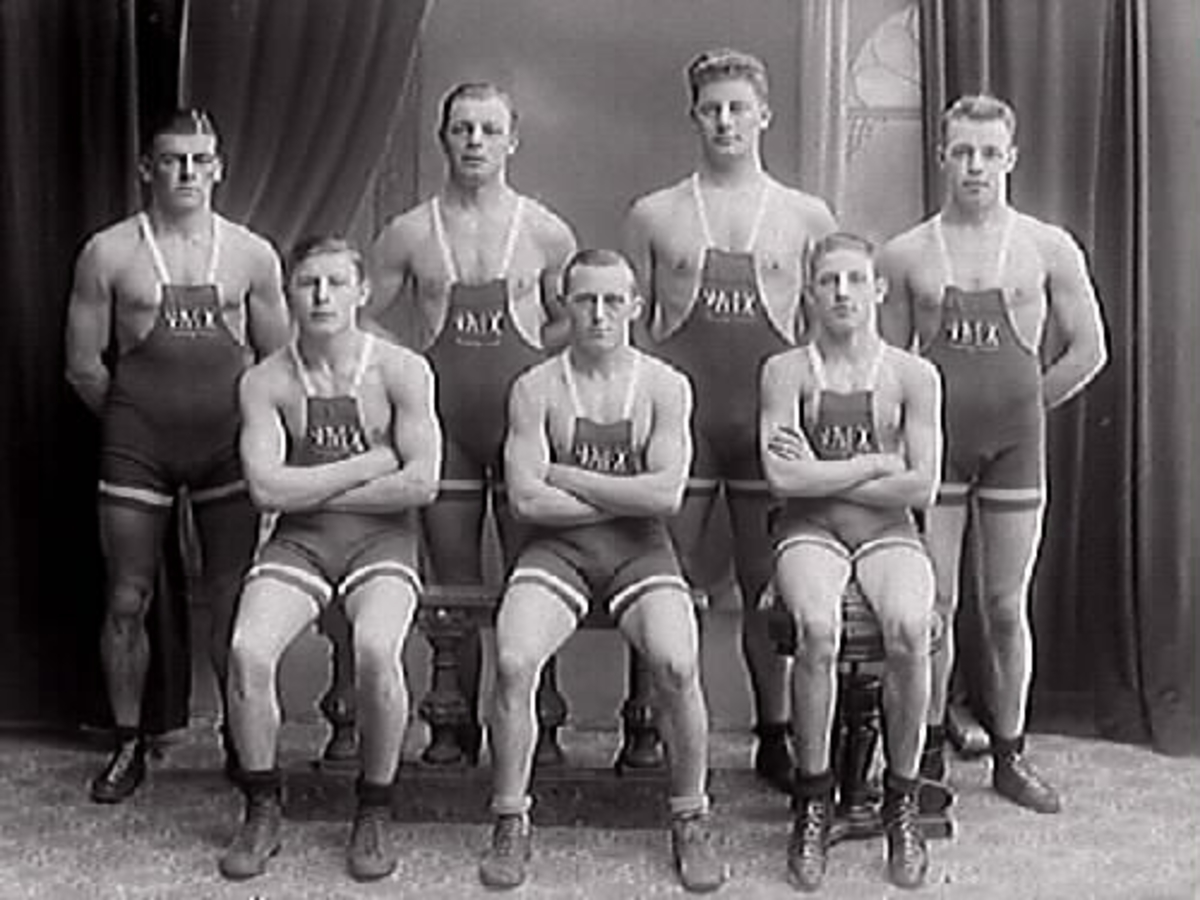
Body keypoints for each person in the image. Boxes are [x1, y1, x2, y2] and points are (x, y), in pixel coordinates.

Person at [878, 95, 1108, 814]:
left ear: (1010, 159)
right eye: (961, 152)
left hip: (1015, 449)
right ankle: (931, 754)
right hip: (936, 453)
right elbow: (882, 365)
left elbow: (1089, 350)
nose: (974, 165)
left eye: (987, 153)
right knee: (936, 605)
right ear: (943, 157)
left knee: (1005, 606)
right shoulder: (907, 252)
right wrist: (915, 434)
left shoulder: (1047, 246)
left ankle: (1010, 753)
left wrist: (1022, 410)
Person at [479, 249, 726, 894]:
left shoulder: (665, 386)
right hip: (556, 550)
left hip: (641, 550)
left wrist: (567, 474)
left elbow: (664, 498)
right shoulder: (535, 388)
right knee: (512, 659)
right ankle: (510, 816)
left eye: (613, 300)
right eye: (585, 300)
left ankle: (690, 814)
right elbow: (525, 500)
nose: (598, 313)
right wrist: (620, 487)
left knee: (676, 662)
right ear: (565, 304)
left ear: (636, 306)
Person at [623, 48, 837, 788]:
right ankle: (644, 720)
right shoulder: (655, 213)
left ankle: (773, 732)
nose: (724, 121)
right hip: (681, 427)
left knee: (759, 581)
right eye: (711, 108)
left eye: (737, 108)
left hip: (762, 425)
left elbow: (823, 337)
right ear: (694, 116)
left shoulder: (806, 216)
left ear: (763, 115)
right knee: (658, 574)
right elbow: (631, 335)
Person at [64, 108, 290, 803]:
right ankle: (129, 742)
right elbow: (83, 368)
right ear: (147, 169)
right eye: (172, 160)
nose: (188, 173)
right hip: (140, 446)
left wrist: (256, 445)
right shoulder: (108, 253)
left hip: (226, 446)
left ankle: (238, 736)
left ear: (219, 167)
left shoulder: (252, 254)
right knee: (128, 598)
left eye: (200, 159)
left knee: (230, 600)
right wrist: (139, 428)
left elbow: (281, 364)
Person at [218, 237, 440, 881]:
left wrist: (311, 480)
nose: (320, 297)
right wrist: (372, 461)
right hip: (301, 541)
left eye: (335, 284)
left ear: (362, 291)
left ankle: (374, 808)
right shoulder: (265, 380)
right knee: (247, 651)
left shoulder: (401, 371)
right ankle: (261, 806)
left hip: (383, 540)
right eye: (308, 284)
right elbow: (266, 490)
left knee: (376, 649)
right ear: (288, 291)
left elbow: (421, 483)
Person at [367, 82, 577, 761]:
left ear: (513, 140)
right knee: (452, 579)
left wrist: (542, 354)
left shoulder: (545, 232)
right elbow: (360, 315)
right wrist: (407, 365)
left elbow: (576, 312)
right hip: (447, 424)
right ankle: (452, 722)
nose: (476, 142)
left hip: (524, 424)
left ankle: (539, 721)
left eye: (489, 129)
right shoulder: (408, 232)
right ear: (443, 138)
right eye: (463, 129)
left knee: (535, 575)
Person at [761, 232, 942, 890]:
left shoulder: (912, 375)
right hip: (810, 532)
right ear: (809, 290)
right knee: (815, 627)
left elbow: (920, 486)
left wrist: (821, 470)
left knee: (908, 629)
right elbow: (783, 479)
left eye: (855, 280)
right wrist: (871, 463)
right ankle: (812, 799)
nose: (842, 293)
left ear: (878, 289)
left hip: (889, 532)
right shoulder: (786, 371)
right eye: (829, 281)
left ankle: (900, 799)